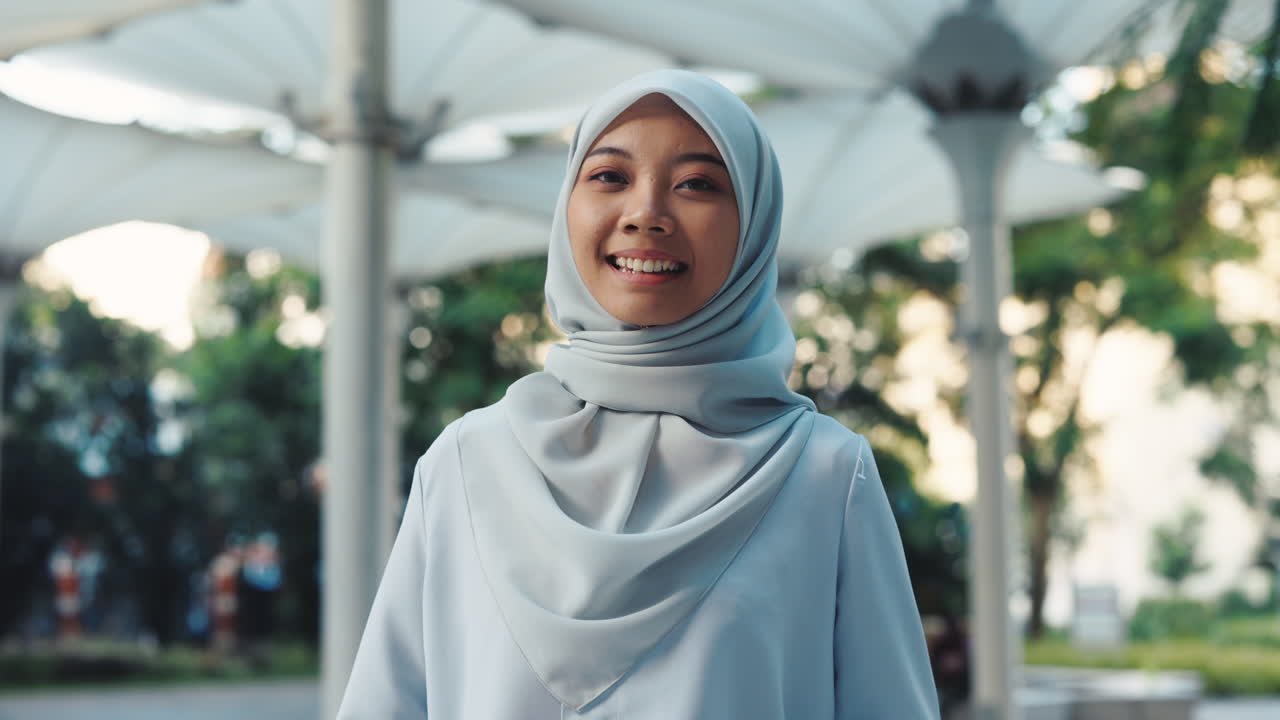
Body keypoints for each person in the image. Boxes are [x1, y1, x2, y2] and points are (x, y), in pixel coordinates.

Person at [337, 69, 939, 719]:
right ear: (566, 206)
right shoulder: (465, 464)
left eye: (697, 185)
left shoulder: (823, 475)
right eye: (609, 177)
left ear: (753, 226)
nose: (646, 213)